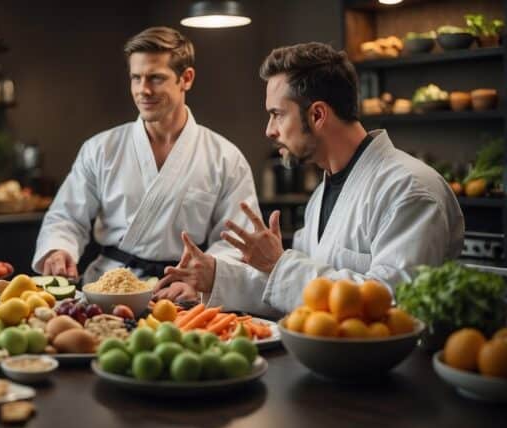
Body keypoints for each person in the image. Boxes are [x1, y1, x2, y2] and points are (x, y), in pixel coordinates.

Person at [157, 42, 464, 314]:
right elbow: (295, 293)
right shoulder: (323, 194)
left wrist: (279, 264)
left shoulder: (409, 190)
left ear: (317, 115)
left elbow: (392, 303)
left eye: (277, 114)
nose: (269, 130)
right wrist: (217, 276)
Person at [32, 27, 273, 312]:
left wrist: (201, 278)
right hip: (107, 290)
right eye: (136, 78)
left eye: (156, 78)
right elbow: (67, 216)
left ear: (186, 79)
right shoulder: (101, 149)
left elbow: (237, 241)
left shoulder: (225, 158)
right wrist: (59, 249)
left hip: (182, 294)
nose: (143, 90)